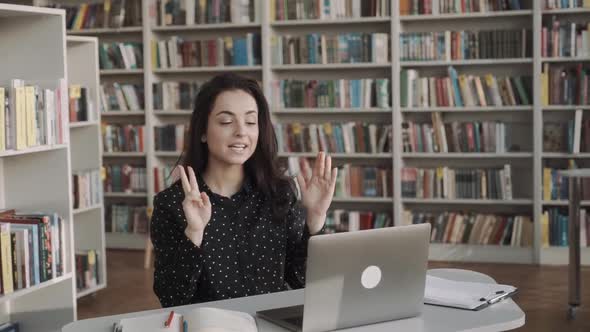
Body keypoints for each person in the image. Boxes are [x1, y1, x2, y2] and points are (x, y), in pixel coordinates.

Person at [150, 73, 338, 307]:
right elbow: (172, 298)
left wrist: (315, 219)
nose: (241, 132)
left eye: (250, 122)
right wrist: (194, 234)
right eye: (226, 122)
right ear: (202, 131)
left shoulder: (280, 194)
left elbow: (299, 280)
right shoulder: (171, 204)